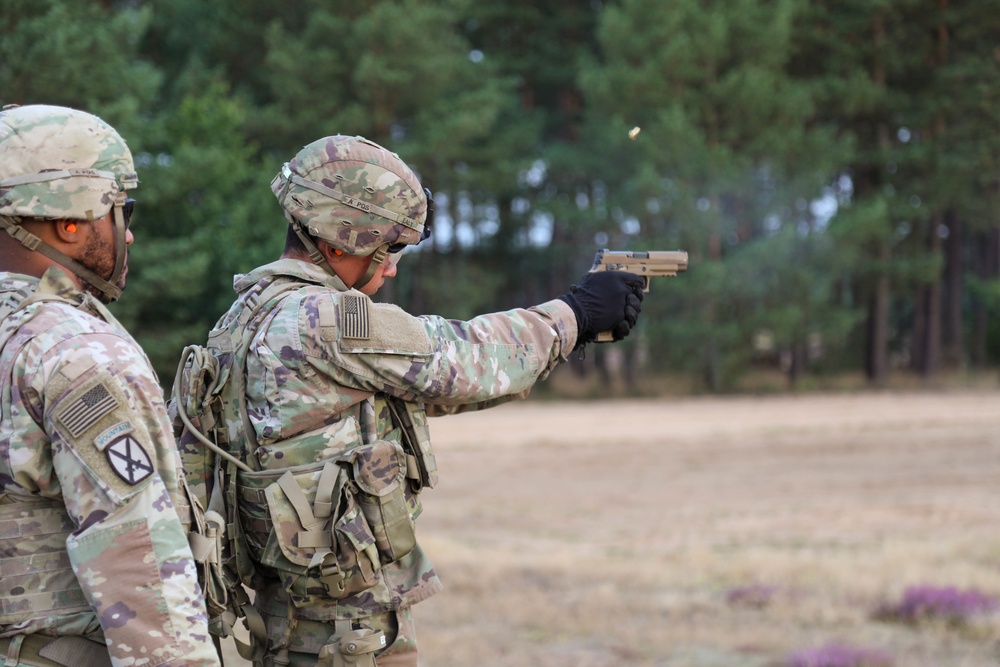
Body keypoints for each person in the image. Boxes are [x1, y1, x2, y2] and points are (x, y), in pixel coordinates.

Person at [172, 134, 644, 667]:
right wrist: (574, 315)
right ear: (338, 243)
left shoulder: (242, 317)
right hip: (345, 633)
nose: (392, 267)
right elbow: (460, 361)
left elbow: (416, 389)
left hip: (282, 617)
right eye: (388, 248)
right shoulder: (325, 321)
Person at [0, 104, 220, 667]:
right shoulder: (73, 351)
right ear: (68, 220)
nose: (131, 232)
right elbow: (139, 557)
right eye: (120, 210)